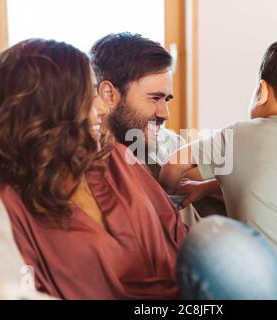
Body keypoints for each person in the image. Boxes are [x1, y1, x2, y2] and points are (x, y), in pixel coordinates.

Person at [0, 38, 277, 300]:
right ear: (46, 111)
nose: (103, 107)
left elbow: (179, 237)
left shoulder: (115, 157)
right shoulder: (6, 202)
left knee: (220, 241)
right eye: (87, 95)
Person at [160, 35, 277, 300]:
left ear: (262, 91)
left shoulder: (238, 135)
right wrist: (203, 188)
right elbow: (266, 184)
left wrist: (167, 193)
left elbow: (173, 164)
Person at [90, 33, 225, 226]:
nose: (165, 114)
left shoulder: (170, 145)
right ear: (109, 95)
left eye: (167, 99)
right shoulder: (84, 163)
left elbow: (242, 188)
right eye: (155, 98)